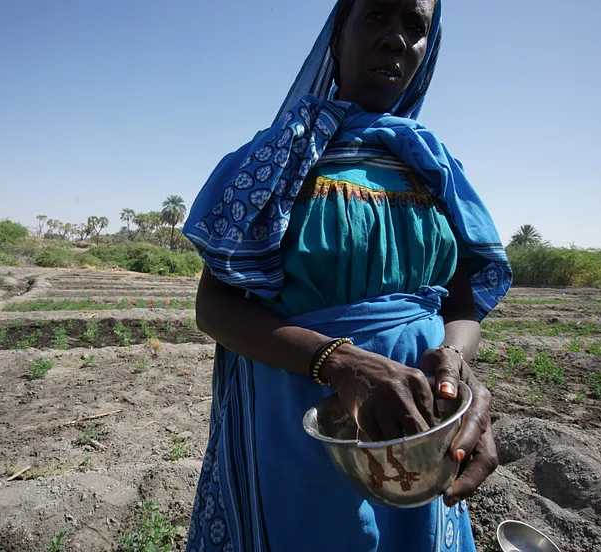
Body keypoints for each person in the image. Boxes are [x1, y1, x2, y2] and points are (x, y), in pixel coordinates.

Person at [181, 0, 512, 550]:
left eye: (415, 26)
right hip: (297, 422)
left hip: (418, 425)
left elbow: (460, 304)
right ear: (336, 39)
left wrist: (455, 366)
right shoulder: (274, 159)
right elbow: (214, 306)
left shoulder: (433, 168)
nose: (395, 39)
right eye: (377, 16)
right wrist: (343, 363)